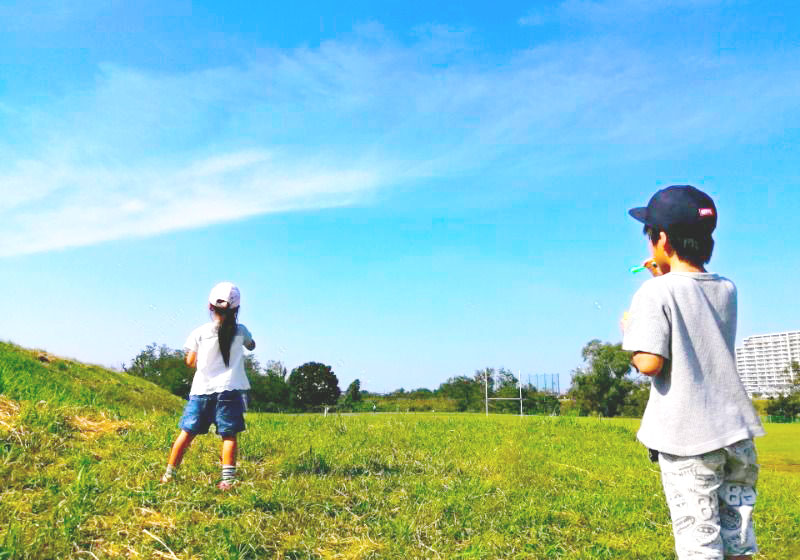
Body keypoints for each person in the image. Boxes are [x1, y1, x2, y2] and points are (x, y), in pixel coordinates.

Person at [621, 186, 765, 560]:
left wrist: (632, 331)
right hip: (737, 435)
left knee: (700, 543)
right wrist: (662, 279)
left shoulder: (653, 295)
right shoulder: (727, 289)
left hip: (690, 441)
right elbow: (695, 317)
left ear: (662, 240)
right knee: (737, 539)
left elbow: (650, 362)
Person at [161, 282, 256, 490]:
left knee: (186, 434)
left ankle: (169, 475)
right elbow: (251, 345)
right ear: (236, 309)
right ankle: (227, 481)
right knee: (229, 436)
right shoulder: (241, 331)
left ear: (210, 307)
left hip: (201, 391)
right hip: (230, 391)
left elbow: (189, 360)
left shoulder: (200, 332)